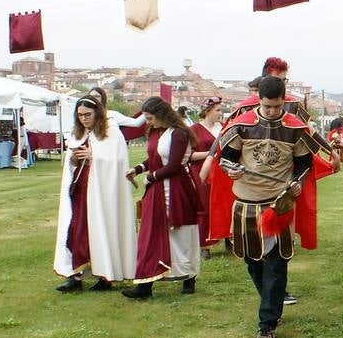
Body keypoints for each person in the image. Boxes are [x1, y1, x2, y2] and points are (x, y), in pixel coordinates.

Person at [214, 75, 326, 338]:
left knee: (277, 265)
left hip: (279, 205)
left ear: (283, 101)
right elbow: (224, 160)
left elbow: (303, 163)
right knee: (253, 261)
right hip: (246, 204)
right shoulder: (241, 126)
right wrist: (232, 170)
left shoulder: (294, 129)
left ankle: (267, 324)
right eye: (268, 107)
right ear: (260, 101)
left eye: (277, 107)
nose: (273, 112)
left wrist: (297, 184)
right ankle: (271, 301)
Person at [53, 96, 137, 292]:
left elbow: (118, 162)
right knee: (75, 230)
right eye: (80, 115)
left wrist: (94, 157)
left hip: (102, 191)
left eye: (87, 115)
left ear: (97, 113)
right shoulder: (79, 133)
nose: (83, 119)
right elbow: (71, 163)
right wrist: (74, 159)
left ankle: (106, 275)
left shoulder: (111, 131)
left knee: (100, 228)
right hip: (80, 189)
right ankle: (74, 275)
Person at [124, 97, 201, 299]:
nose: (148, 122)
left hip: (177, 189)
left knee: (181, 234)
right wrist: (138, 169)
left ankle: (188, 276)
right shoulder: (157, 131)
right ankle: (145, 284)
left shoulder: (180, 133)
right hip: (158, 188)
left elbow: (174, 165)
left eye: (150, 118)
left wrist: (151, 177)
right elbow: (154, 159)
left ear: (162, 115)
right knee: (151, 234)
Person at [188, 99, 221, 254]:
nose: (220, 114)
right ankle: (203, 244)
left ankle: (226, 236)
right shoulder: (194, 129)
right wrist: (211, 154)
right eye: (218, 110)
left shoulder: (221, 128)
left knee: (219, 203)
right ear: (208, 111)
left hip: (219, 171)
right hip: (200, 170)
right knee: (204, 206)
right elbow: (188, 155)